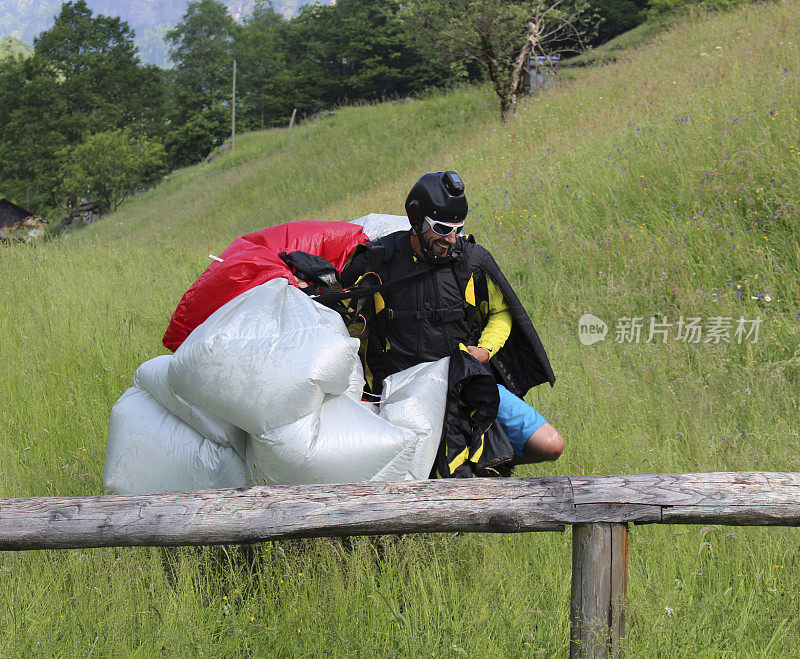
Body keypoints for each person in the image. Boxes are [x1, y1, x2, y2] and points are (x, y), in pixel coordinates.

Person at [340, 171, 563, 466]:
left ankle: (491, 462)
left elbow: (501, 312)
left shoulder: (471, 261)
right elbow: (340, 319)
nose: (452, 238)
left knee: (550, 445)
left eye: (457, 229)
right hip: (401, 399)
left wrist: (486, 349)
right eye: (443, 229)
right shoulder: (379, 261)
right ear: (418, 222)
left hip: (465, 386)